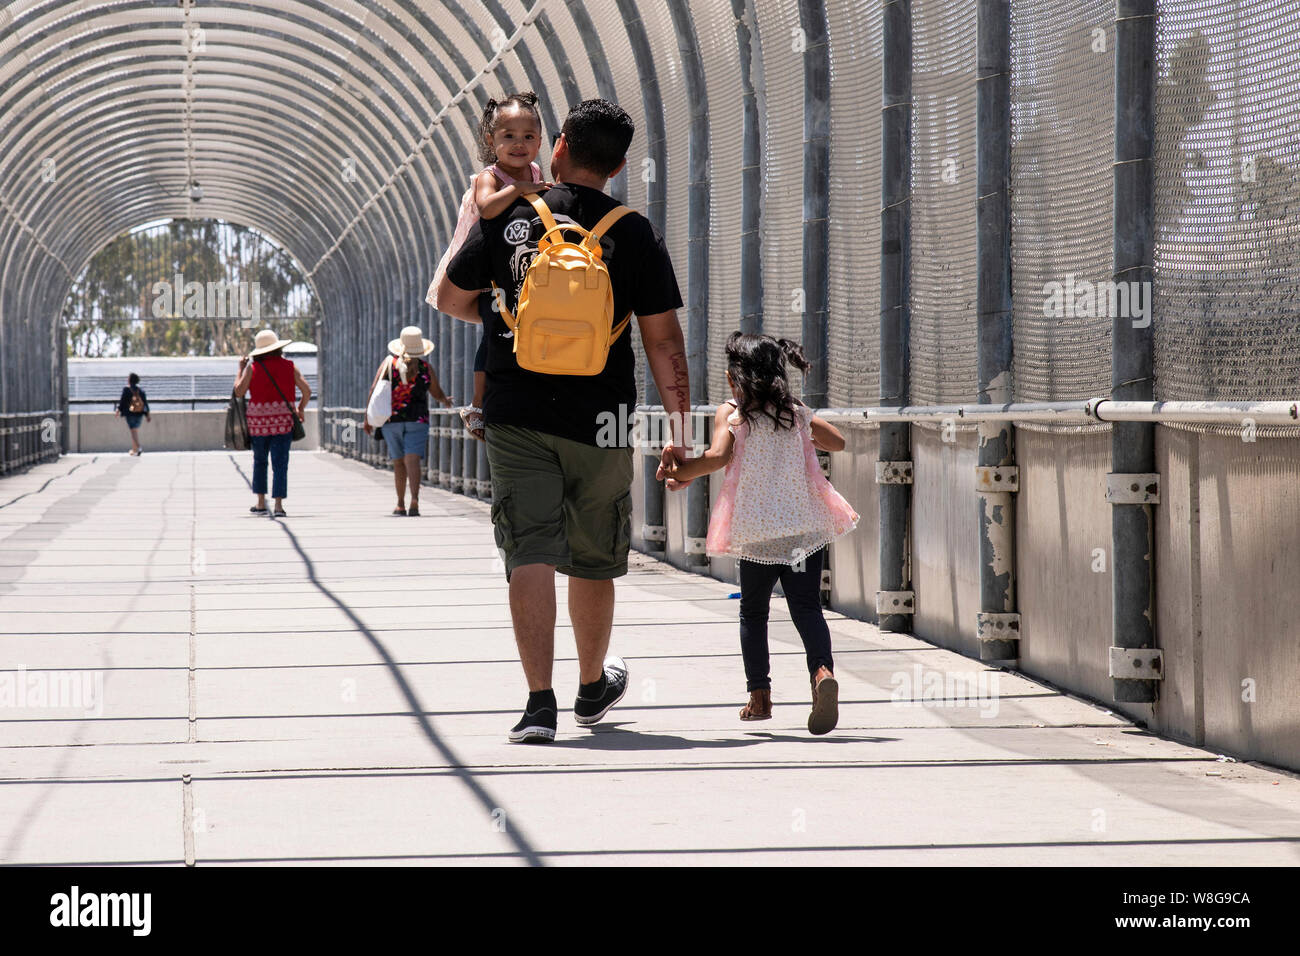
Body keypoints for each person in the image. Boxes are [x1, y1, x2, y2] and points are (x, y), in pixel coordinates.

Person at [437, 98, 693, 744]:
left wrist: (511, 320)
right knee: (593, 556)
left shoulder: (511, 212)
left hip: (516, 410)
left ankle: (538, 705)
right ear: (620, 164)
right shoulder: (632, 230)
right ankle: (589, 687)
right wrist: (682, 433)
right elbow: (665, 343)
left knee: (529, 551)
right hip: (602, 417)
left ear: (557, 147)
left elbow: (448, 297)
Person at [657, 333, 859, 735]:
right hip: (803, 528)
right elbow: (837, 441)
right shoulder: (795, 412)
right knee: (807, 608)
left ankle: (760, 696)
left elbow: (717, 458)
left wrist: (678, 472)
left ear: (735, 380)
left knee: (754, 611)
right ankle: (821, 674)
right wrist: (805, 428)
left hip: (757, 532)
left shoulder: (732, 414)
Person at [427, 91, 551, 443]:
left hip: (518, 271)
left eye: (528, 137)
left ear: (540, 141)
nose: (519, 144)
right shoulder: (490, 177)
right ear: (491, 140)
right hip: (486, 277)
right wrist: (519, 190)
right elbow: (487, 208)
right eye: (508, 136)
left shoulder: (535, 172)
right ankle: (479, 404)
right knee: (494, 336)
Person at [363, 326, 452, 517]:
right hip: (418, 420)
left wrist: (367, 418)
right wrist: (445, 400)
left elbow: (374, 389)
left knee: (398, 462)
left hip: (391, 420)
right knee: (412, 460)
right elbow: (435, 392)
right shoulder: (425, 368)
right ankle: (415, 501)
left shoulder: (389, 364)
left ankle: (400, 504)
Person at [233, 329, 311, 517]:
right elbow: (306, 391)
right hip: (283, 422)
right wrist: (300, 409)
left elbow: (239, 392)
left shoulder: (252, 369)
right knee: (280, 462)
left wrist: (240, 369)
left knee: (260, 461)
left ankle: (261, 503)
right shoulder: (290, 366)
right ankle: (278, 506)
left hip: (258, 424)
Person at [115, 372, 150, 455]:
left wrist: (118, 410)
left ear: (129, 380)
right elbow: (145, 403)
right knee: (135, 430)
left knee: (133, 431)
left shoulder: (127, 389)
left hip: (130, 413)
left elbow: (122, 401)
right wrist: (147, 415)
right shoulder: (140, 390)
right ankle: (134, 450)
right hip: (139, 413)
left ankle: (138, 447)